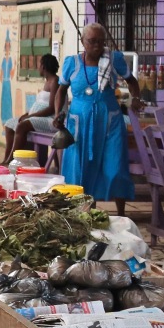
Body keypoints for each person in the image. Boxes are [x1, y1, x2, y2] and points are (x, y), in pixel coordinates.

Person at [52, 24, 139, 215]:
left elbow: (132, 82)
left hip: (110, 122)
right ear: (83, 42)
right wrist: (59, 112)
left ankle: (121, 214)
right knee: (79, 167)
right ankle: (81, 211)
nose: (97, 46)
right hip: (79, 123)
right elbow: (61, 90)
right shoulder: (72, 63)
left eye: (101, 41)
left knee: (115, 167)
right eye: (92, 41)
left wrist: (136, 100)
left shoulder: (113, 60)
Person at [2, 53, 60, 161]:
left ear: (43, 66)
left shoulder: (55, 81)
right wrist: (27, 114)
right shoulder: (47, 82)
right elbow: (40, 103)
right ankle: (6, 159)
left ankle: (11, 160)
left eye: (39, 65)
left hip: (50, 120)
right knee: (9, 124)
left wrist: (31, 116)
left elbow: (51, 108)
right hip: (38, 118)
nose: (38, 68)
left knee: (22, 126)